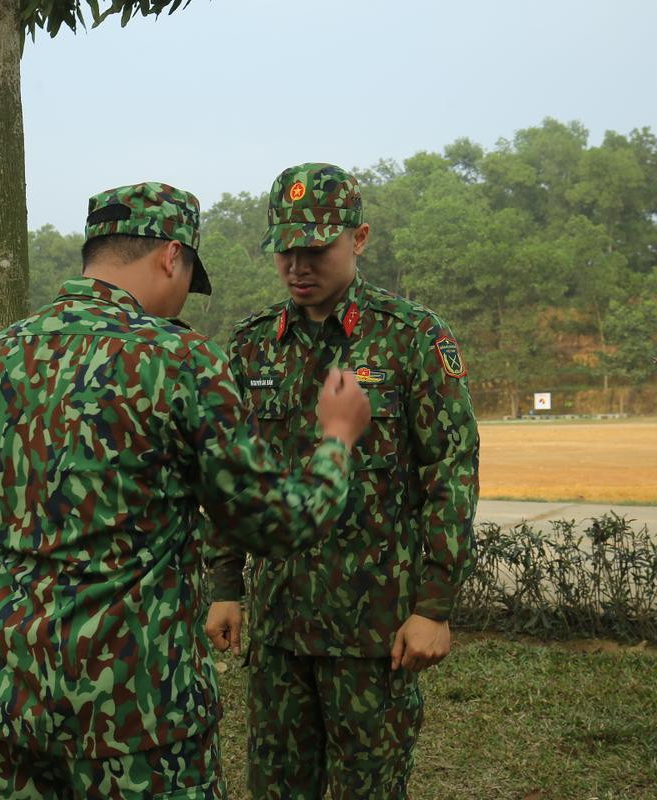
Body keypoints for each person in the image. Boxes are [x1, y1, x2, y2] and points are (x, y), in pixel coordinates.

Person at [0, 182, 371, 800]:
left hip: (15, 702)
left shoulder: (0, 356)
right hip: (138, 714)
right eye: (187, 275)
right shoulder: (179, 360)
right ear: (171, 257)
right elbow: (279, 524)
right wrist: (337, 439)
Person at [204, 163, 480, 799]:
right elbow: (230, 478)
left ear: (358, 238)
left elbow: (452, 475)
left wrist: (432, 608)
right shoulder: (253, 347)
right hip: (279, 631)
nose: (298, 265)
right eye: (285, 250)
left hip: (375, 636)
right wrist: (226, 586)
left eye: (316, 249)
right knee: (274, 789)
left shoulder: (410, 338)